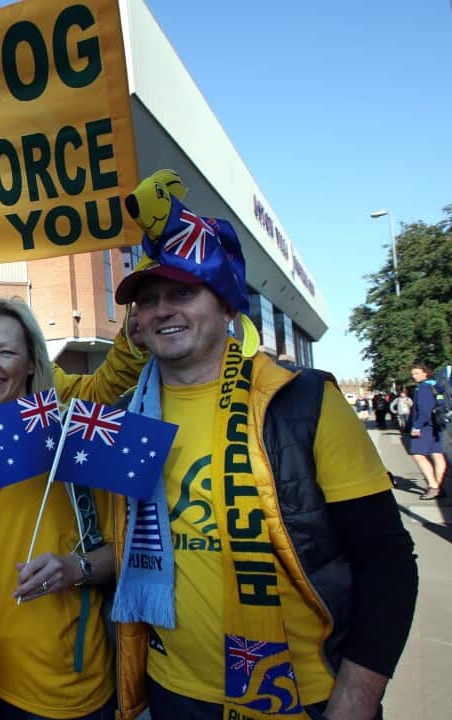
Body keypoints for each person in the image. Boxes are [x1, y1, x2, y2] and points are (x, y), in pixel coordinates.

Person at [110, 171, 418, 720]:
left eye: (184, 292)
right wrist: (76, 567)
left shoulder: (303, 403)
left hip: (302, 696)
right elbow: (137, 545)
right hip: (171, 692)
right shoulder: (132, 415)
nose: (161, 310)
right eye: (148, 299)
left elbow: (388, 562)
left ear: (227, 305)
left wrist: (354, 701)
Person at [0, 297, 146, 720]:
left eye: (4, 351)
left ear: (29, 363)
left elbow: (135, 549)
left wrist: (74, 568)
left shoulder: (73, 436)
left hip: (67, 689)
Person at [408, 363, 446, 500]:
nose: (414, 376)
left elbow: (424, 410)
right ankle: (439, 486)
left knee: (417, 454)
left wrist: (417, 426)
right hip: (437, 424)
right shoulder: (436, 385)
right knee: (437, 454)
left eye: (417, 373)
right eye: (413, 374)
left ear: (425, 373)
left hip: (425, 426)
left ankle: (433, 486)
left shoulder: (423, 388)